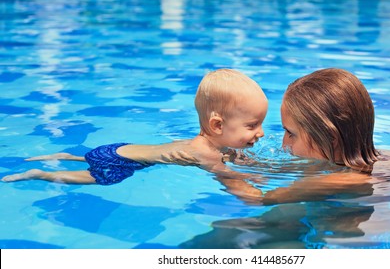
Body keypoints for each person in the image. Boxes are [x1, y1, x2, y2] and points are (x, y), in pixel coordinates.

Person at [1, 69, 268, 185]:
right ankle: (41, 174)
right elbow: (223, 174)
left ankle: (63, 156)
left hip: (119, 150)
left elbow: (230, 156)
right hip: (119, 164)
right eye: (252, 125)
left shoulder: (209, 143)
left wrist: (243, 158)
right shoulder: (207, 153)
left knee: (88, 158)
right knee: (92, 179)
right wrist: (252, 177)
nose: (261, 132)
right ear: (217, 125)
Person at [215, 68, 390, 205]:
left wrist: (214, 166)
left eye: (291, 134)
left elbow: (258, 199)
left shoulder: (333, 182)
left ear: (330, 138)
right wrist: (241, 159)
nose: (284, 142)